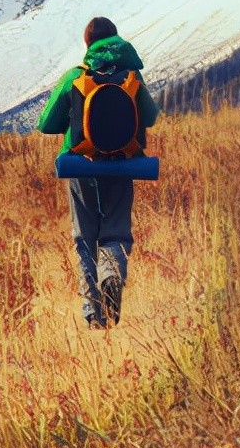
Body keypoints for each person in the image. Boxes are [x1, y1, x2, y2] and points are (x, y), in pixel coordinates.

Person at [36, 17, 160, 328]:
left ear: (87, 43)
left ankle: (94, 313)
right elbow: (150, 117)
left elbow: (46, 123)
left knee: (84, 236)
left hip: (81, 164)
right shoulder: (131, 76)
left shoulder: (76, 76)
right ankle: (111, 275)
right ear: (116, 40)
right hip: (122, 164)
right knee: (116, 232)